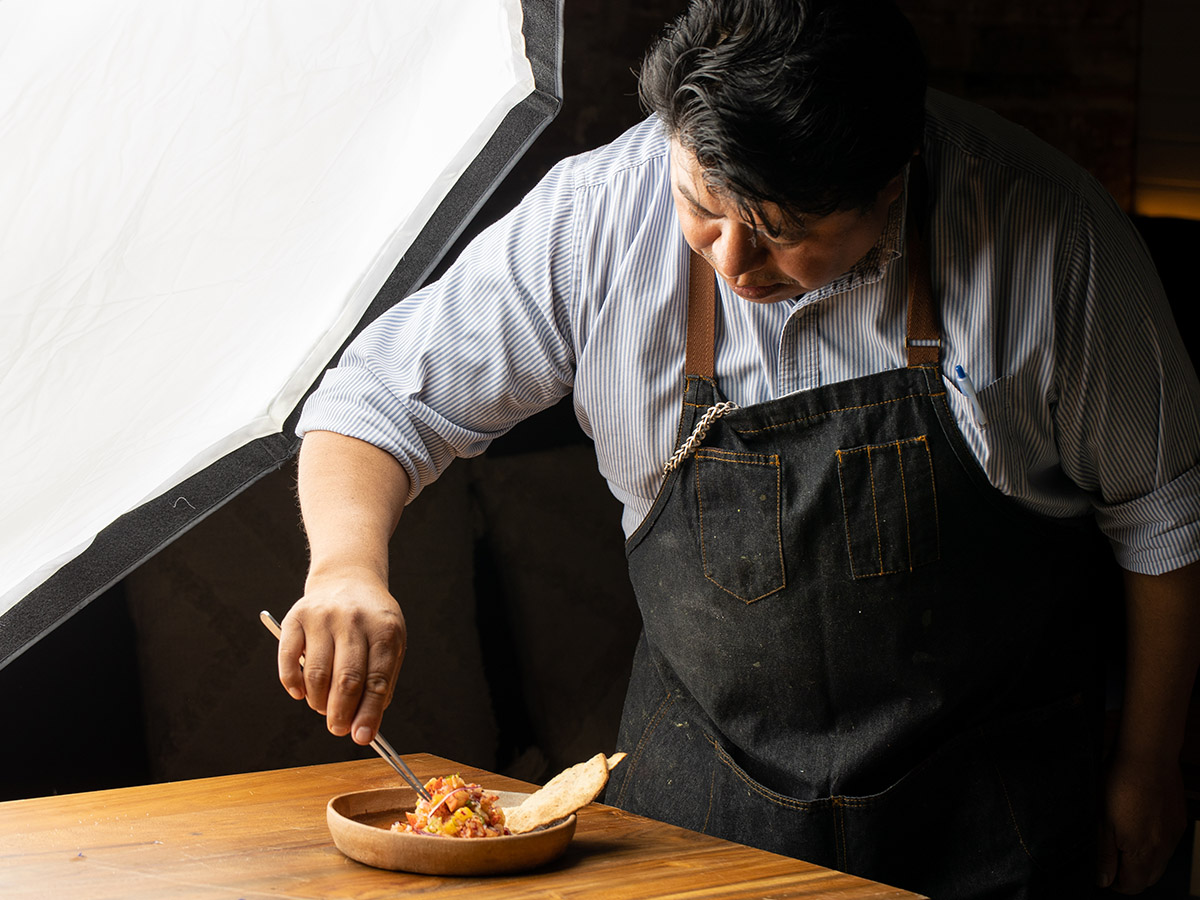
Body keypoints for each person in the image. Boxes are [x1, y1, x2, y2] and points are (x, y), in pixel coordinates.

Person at [276, 0, 1200, 896]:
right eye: (701, 206)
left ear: (890, 183)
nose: (729, 261)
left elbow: (1163, 512)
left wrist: (1149, 762)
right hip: (703, 818)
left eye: (781, 233)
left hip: (990, 817)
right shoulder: (598, 215)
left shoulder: (1053, 238)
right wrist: (346, 569)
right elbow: (376, 401)